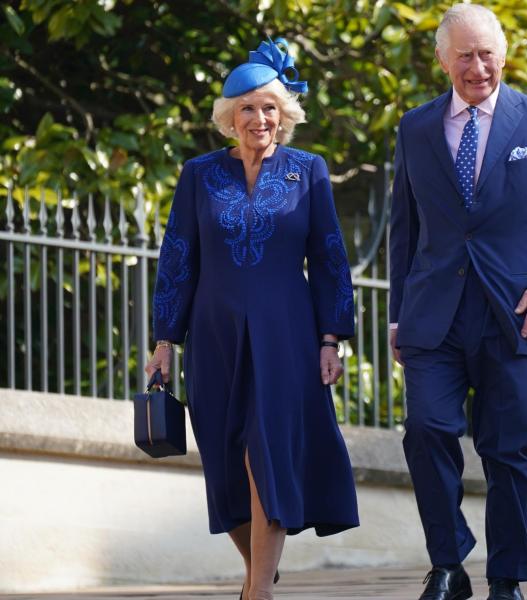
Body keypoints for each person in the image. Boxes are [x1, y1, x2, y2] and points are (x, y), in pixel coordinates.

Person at [388, 4, 527, 599]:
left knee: (507, 451)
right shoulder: (416, 127)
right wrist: (399, 314)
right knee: (426, 430)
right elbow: (405, 228)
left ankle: (506, 576)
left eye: (486, 54)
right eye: (464, 56)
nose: (477, 67)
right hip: (435, 315)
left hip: (518, 315)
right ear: (443, 61)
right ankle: (449, 563)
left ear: (503, 55)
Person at [145, 38, 359, 600]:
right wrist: (165, 339)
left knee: (268, 449)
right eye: (247, 108)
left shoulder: (307, 171)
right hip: (211, 334)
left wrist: (331, 338)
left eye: (269, 107)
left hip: (286, 331)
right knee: (223, 457)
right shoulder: (198, 174)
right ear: (229, 117)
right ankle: (259, 566)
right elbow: (178, 257)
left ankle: (257, 591)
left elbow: (330, 257)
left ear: (283, 114)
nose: (259, 118)